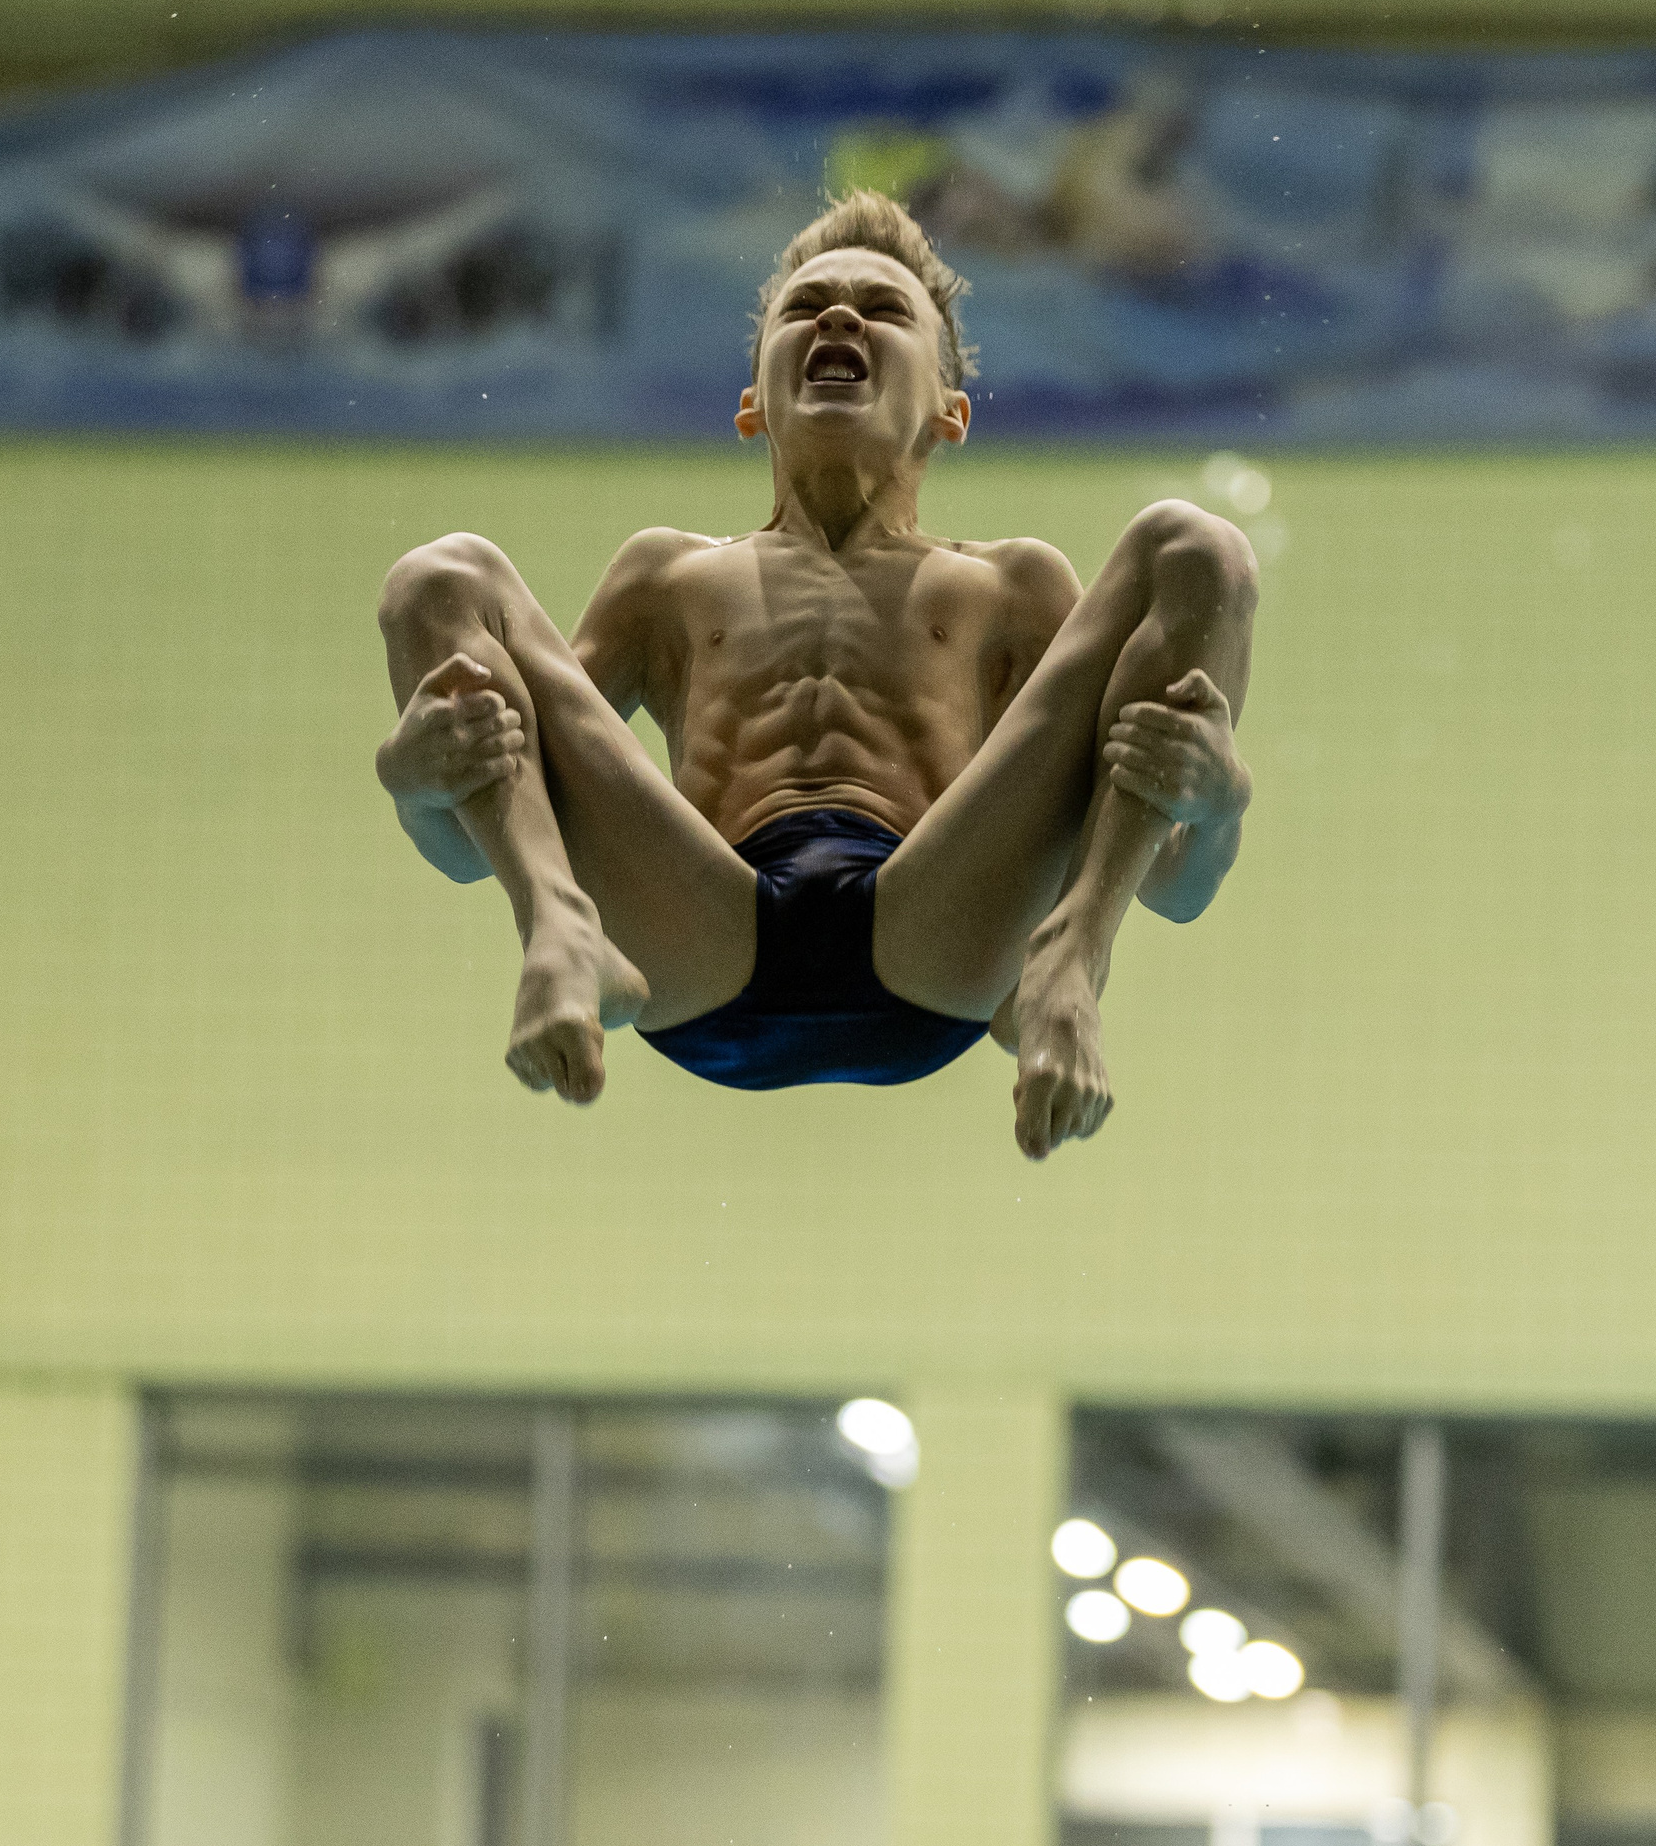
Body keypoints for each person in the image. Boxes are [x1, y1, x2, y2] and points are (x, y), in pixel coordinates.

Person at [375, 190, 1255, 1160]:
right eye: (806, 307)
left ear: (948, 413)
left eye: (883, 311)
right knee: (441, 578)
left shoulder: (1008, 586)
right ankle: (557, 927)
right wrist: (417, 784)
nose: (838, 315)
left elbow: (1174, 883)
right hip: (696, 929)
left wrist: (1216, 800)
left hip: (932, 930)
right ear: (752, 404)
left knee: (1193, 546)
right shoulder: (668, 576)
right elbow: (490, 821)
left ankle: (1071, 967)